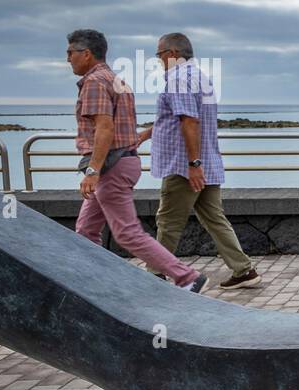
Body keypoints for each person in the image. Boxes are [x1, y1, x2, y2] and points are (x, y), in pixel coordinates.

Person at [66, 28, 206, 292]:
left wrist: (93, 170)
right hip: (121, 162)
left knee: (127, 233)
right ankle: (100, 284)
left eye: (71, 53)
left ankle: (187, 277)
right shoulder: (116, 80)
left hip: (111, 167)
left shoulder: (95, 82)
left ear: (86, 54)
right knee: (85, 229)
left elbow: (104, 129)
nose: (68, 59)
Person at [139, 33, 261, 289]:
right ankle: (244, 270)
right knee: (214, 218)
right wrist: (145, 135)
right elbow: (178, 119)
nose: (158, 60)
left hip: (185, 166)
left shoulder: (179, 79)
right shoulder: (199, 77)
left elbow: (189, 121)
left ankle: (154, 274)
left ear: (171, 53)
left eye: (159, 55)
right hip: (206, 162)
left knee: (168, 221)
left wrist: (193, 165)